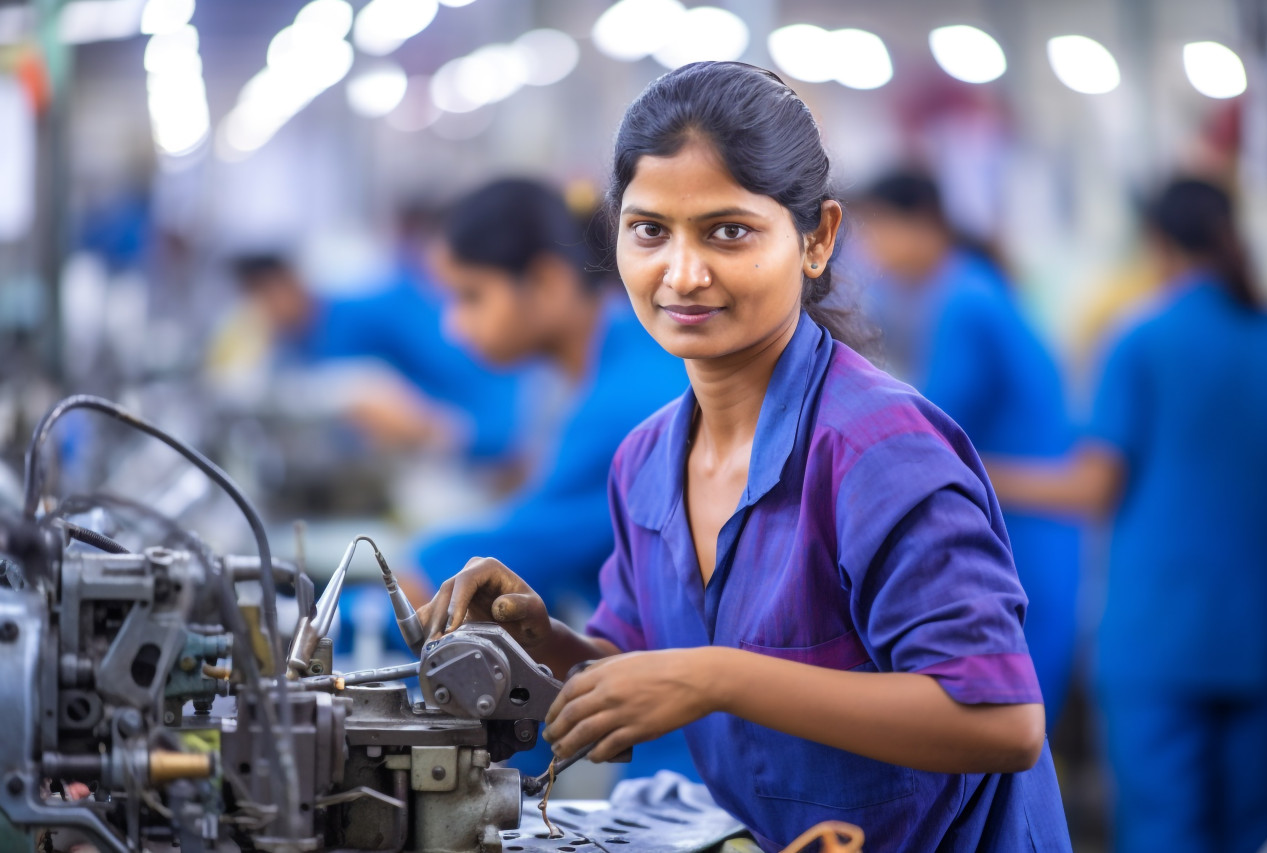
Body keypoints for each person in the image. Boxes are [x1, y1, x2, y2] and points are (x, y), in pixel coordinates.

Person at [415, 62, 1070, 850]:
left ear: (817, 237)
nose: (682, 274)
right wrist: (542, 639)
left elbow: (1001, 721)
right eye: (650, 230)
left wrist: (714, 675)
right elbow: (636, 669)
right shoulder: (648, 460)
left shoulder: (880, 454)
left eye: (728, 231)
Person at [986, 177, 1267, 853]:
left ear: (1157, 242)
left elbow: (1090, 489)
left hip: (1159, 640)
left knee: (1163, 833)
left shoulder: (1141, 339)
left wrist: (969, 472)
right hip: (1261, 635)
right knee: (1253, 831)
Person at [413, 178, 694, 779]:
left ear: (545, 281)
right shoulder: (595, 368)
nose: (454, 327)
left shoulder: (625, 403)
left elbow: (507, 557)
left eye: (469, 295)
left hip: (694, 757)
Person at [853, 170, 1079, 730]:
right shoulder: (946, 290)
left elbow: (926, 422)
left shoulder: (966, 302)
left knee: (1007, 729)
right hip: (1015, 525)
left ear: (924, 225)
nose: (870, 250)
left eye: (877, 230)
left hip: (1022, 536)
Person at [222, 249, 524, 461]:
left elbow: (469, 373)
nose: (264, 312)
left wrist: (440, 431)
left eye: (265, 296)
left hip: (472, 453)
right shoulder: (292, 345)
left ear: (289, 283)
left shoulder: (374, 313)